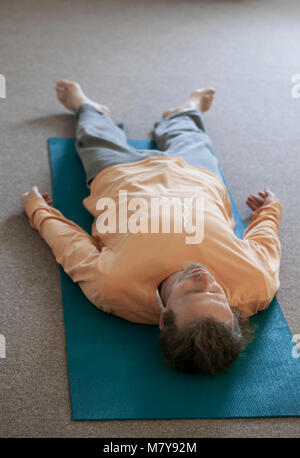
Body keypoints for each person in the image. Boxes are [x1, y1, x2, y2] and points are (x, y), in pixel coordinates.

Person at [21, 80, 282, 375]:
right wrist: (270, 209)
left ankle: (89, 108)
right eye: (218, 294)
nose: (204, 278)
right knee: (190, 134)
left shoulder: (114, 287)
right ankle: (185, 110)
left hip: (118, 176)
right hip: (195, 175)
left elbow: (70, 247)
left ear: (163, 317)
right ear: (234, 313)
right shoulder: (255, 284)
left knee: (94, 135)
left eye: (193, 293)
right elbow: (265, 242)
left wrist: (38, 210)